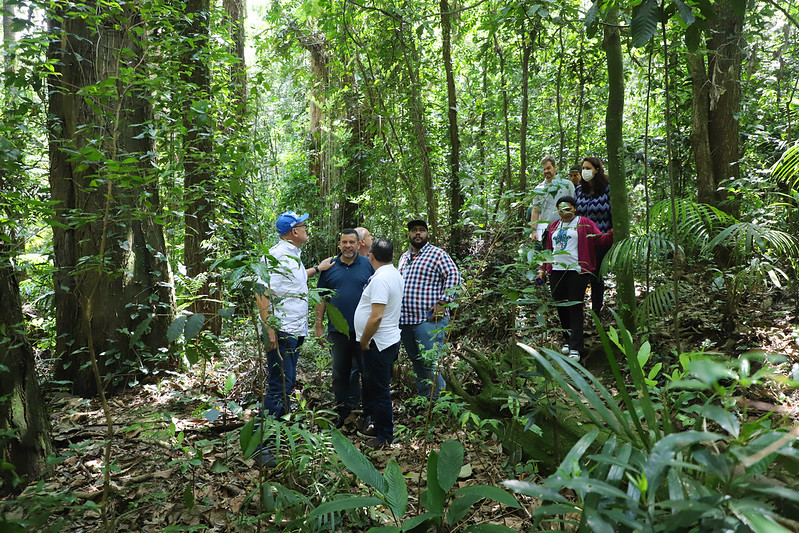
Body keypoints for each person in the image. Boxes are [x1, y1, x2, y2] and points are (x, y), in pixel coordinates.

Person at [254, 211, 331, 465]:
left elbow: (292, 281)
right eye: (303, 226)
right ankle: (261, 444)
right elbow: (261, 290)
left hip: (295, 330)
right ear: (294, 232)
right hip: (282, 331)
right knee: (279, 386)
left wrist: (317, 269)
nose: (307, 229)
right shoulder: (276, 256)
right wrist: (269, 329)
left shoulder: (292, 255)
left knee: (287, 383)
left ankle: (281, 436)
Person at [535, 197, 613, 360]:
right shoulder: (555, 225)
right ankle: (567, 339)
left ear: (575, 208)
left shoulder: (584, 223)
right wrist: (542, 269)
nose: (564, 212)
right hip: (556, 270)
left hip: (577, 270)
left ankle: (576, 346)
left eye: (567, 208)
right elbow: (548, 249)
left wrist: (615, 231)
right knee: (561, 305)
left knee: (575, 305)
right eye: (561, 209)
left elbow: (600, 240)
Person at [314, 228, 374, 428]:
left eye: (352, 242)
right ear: (339, 244)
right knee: (340, 373)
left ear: (359, 244)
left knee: (367, 372)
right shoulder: (329, 266)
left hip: (364, 331)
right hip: (337, 332)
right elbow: (321, 297)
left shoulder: (368, 265)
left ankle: (369, 414)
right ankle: (343, 411)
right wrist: (318, 326)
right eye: (344, 242)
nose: (348, 246)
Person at [398, 219, 462, 400]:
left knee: (431, 363)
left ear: (427, 234)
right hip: (406, 321)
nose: (417, 233)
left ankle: (439, 404)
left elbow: (454, 275)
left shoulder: (437, 254)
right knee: (417, 362)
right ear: (409, 235)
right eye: (414, 231)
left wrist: (443, 303)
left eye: (421, 230)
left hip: (429, 320)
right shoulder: (404, 257)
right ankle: (425, 400)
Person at [354, 238, 404, 447]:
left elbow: (376, 317)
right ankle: (377, 425)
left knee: (380, 390)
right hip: (386, 340)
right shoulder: (394, 274)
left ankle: (385, 435)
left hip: (379, 343)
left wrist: (365, 341)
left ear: (371, 256)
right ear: (392, 256)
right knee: (376, 386)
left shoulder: (382, 279)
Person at [576, 157, 613, 314]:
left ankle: (596, 311)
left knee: (596, 277)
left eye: (588, 168)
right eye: (583, 168)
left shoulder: (607, 189)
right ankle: (578, 311)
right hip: (581, 242)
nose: (584, 171)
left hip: (601, 240)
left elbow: (614, 215)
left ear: (597, 170)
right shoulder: (578, 191)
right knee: (580, 277)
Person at [529, 156, 575, 243]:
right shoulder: (538, 189)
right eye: (544, 169)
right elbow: (535, 211)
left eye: (548, 168)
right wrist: (533, 231)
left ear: (555, 167)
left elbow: (574, 207)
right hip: (546, 231)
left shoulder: (567, 185)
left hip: (566, 229)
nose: (546, 171)